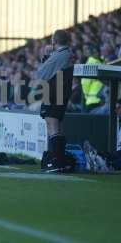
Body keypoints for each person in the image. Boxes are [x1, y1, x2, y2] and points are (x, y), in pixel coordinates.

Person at [37, 30, 74, 173]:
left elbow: (42, 74)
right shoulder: (68, 53)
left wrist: (45, 56)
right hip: (61, 92)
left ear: (54, 41)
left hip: (54, 93)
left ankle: (57, 161)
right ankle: (60, 160)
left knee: (52, 125)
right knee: (57, 126)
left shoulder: (59, 55)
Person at [81, 44, 105, 112]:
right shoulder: (90, 64)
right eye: (94, 52)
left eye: (97, 51)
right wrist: (87, 96)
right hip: (93, 101)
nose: (96, 53)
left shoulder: (102, 62)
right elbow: (85, 83)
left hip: (101, 99)